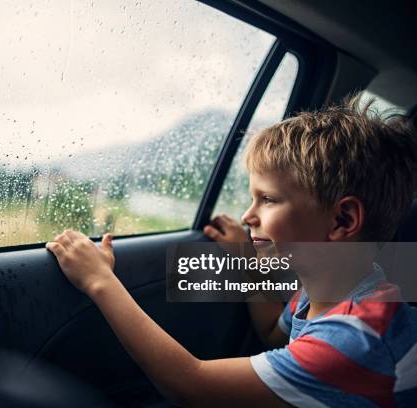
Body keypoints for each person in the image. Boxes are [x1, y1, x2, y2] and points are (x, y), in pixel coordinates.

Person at [46, 95, 417, 407]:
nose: (247, 214)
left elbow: (191, 385)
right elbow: (274, 332)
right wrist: (246, 260)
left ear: (341, 220)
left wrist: (100, 281)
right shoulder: (330, 289)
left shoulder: (358, 338)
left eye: (268, 199)